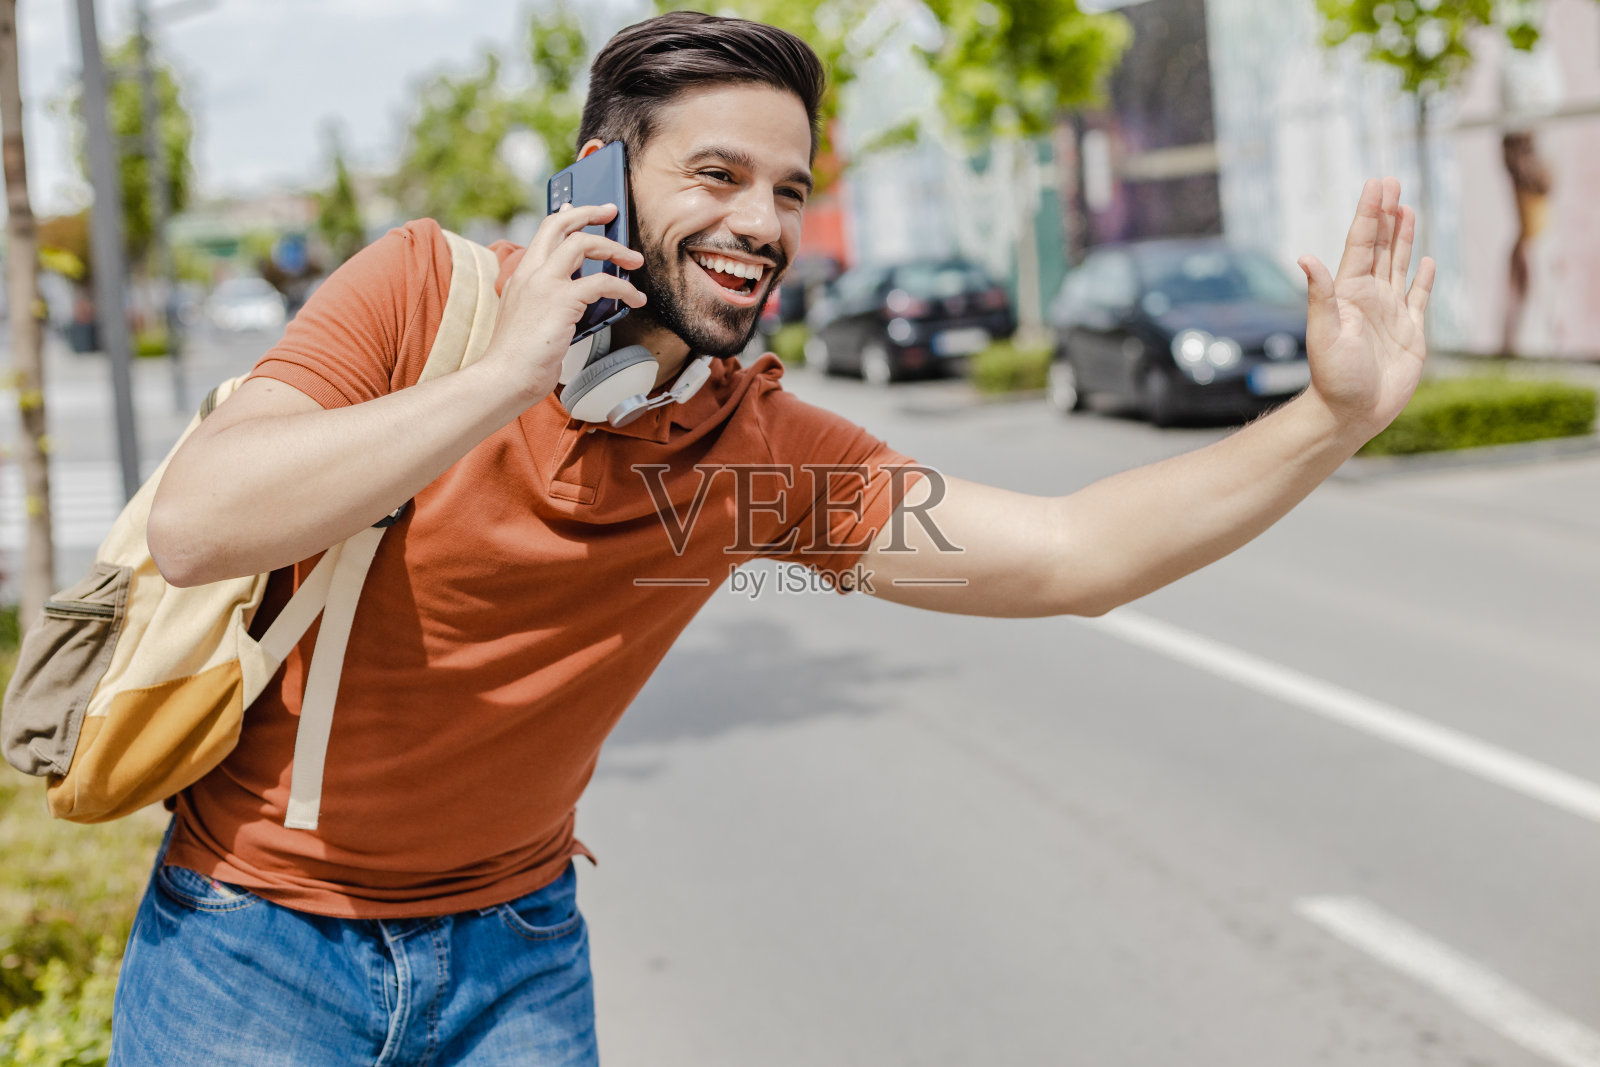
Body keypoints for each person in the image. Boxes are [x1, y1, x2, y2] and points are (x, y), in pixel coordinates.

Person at [113, 11, 1434, 1065]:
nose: (762, 222)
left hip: (513, 956)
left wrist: (1327, 420)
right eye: (717, 174)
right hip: (253, 941)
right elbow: (197, 521)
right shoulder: (422, 297)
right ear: (599, 182)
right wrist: (502, 381)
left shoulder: (753, 451)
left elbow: (1067, 554)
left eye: (788, 190)